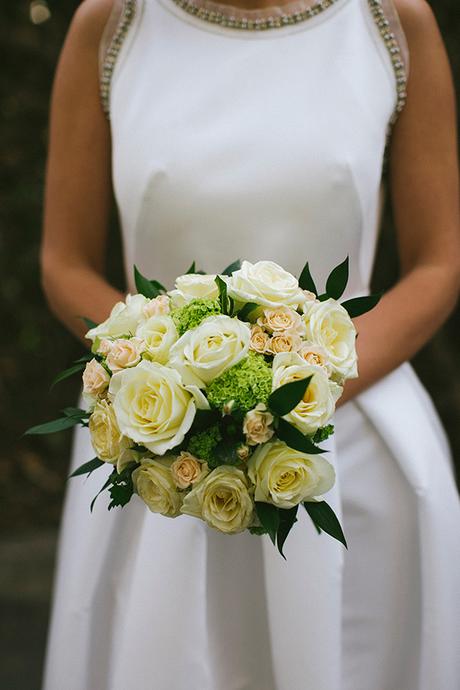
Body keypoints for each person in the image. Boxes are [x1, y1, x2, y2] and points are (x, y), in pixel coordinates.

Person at [40, 0, 460, 688]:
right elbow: (64, 262)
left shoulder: (392, 21)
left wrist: (299, 389)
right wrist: (170, 379)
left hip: (349, 450)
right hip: (159, 452)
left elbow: (439, 262)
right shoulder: (114, 22)